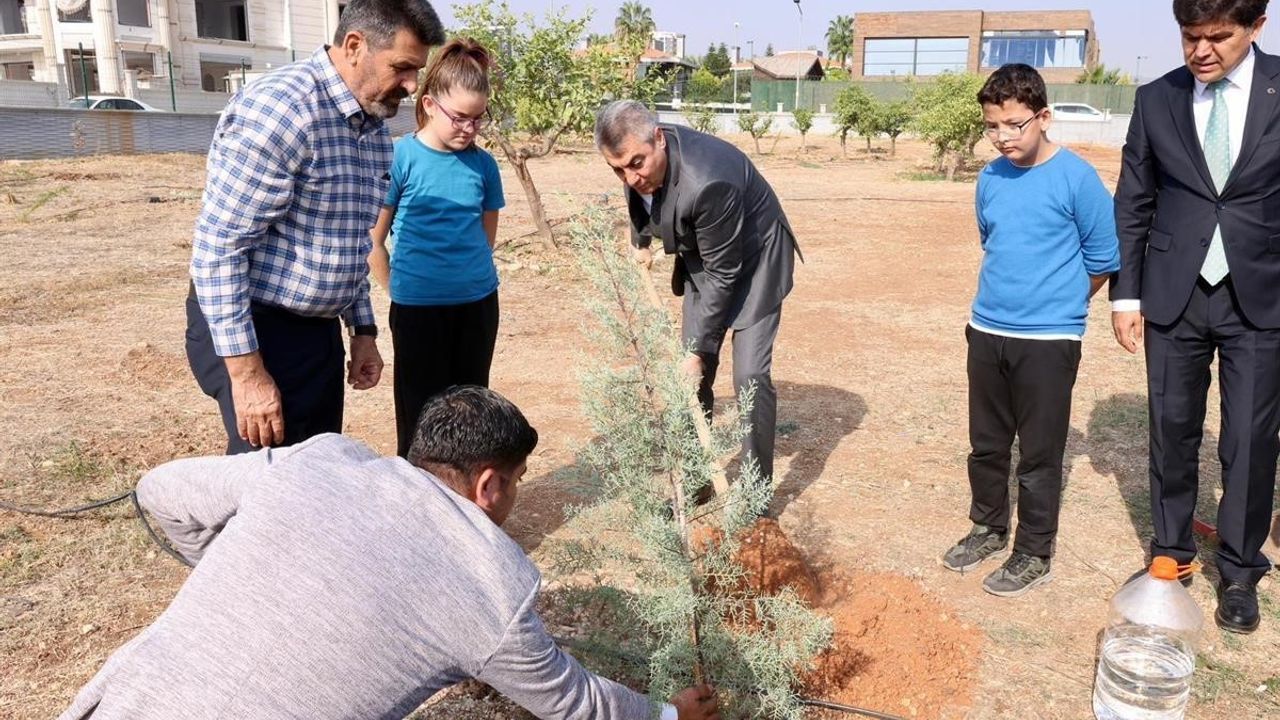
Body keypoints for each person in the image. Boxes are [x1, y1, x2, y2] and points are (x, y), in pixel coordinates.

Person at [56, 386, 720, 720]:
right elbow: (578, 705)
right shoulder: (493, 588)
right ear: (490, 484)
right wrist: (670, 714)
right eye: (516, 483)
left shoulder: (320, 460)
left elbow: (159, 490)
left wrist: (245, 570)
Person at [186, 0, 444, 455]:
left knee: (317, 468)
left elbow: (349, 240)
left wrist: (362, 331)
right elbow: (219, 249)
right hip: (256, 327)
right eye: (402, 67)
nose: (411, 84)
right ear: (354, 46)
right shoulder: (283, 111)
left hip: (315, 333)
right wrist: (248, 374)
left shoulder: (372, 128)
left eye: (416, 70)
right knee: (270, 477)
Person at [1111, 0, 1279, 633]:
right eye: (1190, 37)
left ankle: (1239, 570)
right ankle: (1172, 554)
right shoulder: (1157, 99)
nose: (1202, 50)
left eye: (1219, 37)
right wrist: (1128, 296)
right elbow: (1134, 200)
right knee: (1171, 428)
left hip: (1261, 297)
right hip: (1173, 294)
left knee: (1250, 441)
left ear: (1256, 27)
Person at [941, 64, 1119, 598]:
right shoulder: (990, 178)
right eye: (992, 126)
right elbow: (991, 241)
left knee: (1039, 453)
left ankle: (1033, 550)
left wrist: (1058, 303)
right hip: (986, 329)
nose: (1002, 138)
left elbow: (1103, 257)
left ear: (1044, 117)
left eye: (1014, 125)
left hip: (1048, 341)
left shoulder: (1077, 178)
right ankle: (988, 526)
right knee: (987, 444)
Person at [593, 100, 800, 492]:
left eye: (636, 163)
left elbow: (725, 275)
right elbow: (641, 192)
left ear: (659, 139)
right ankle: (696, 481)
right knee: (693, 380)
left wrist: (696, 351)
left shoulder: (709, 180)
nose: (629, 177)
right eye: (617, 169)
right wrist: (640, 239)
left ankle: (755, 497)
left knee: (749, 375)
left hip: (756, 260)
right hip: (708, 255)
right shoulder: (638, 164)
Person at [368, 38, 505, 457]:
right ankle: (419, 501)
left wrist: (464, 277)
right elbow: (374, 240)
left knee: (471, 412)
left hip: (477, 306)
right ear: (429, 105)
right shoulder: (400, 158)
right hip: (418, 312)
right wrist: (398, 289)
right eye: (460, 117)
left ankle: (464, 503)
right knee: (421, 414)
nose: (469, 128)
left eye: (477, 119)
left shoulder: (484, 165)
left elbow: (486, 236)